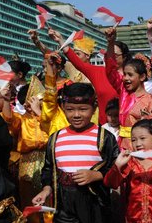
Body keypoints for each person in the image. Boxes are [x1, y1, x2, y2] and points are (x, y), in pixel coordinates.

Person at [32, 83, 119, 223]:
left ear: (94, 109)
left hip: (93, 201)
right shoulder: (55, 138)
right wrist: (46, 190)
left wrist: (96, 175)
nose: (76, 115)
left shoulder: (104, 137)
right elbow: (48, 169)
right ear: (63, 109)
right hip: (63, 203)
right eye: (70, 110)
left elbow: (116, 167)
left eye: (83, 109)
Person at [104, 119, 152, 222]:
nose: (138, 143)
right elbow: (110, 183)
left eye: (142, 138)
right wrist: (118, 165)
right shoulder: (129, 164)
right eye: (133, 140)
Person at [1, 83, 48, 223]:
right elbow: (9, 120)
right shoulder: (22, 120)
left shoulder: (52, 118)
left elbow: (56, 130)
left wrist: (40, 113)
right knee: (30, 198)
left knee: (50, 197)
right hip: (28, 161)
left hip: (48, 158)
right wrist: (5, 100)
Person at [51, 28, 118, 125]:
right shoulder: (97, 71)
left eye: (116, 55)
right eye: (110, 54)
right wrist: (61, 40)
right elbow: (76, 62)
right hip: (104, 125)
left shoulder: (129, 76)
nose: (112, 58)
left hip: (127, 126)